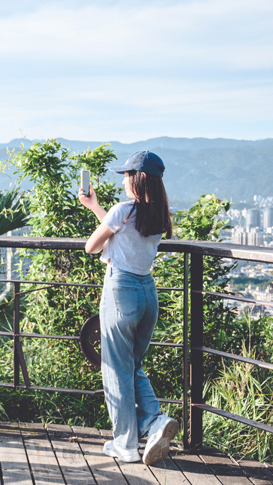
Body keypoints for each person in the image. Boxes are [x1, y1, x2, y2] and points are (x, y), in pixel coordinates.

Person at [78, 150, 180, 465]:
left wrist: (99, 213)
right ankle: (154, 422)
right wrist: (96, 208)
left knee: (115, 368)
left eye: (126, 174)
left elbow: (92, 246)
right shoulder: (159, 215)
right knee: (131, 366)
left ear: (137, 179)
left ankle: (125, 443)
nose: (123, 179)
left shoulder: (124, 211)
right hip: (147, 294)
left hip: (121, 292)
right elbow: (121, 234)